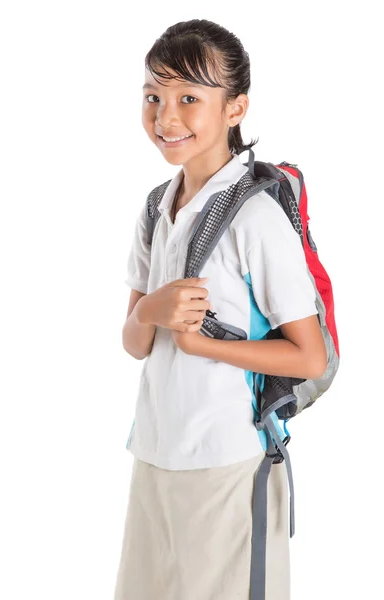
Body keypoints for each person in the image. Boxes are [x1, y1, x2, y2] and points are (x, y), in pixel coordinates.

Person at [114, 18, 327, 600]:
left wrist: (202, 343)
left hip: (228, 461)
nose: (166, 117)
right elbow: (134, 342)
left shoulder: (256, 217)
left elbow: (309, 356)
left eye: (189, 98)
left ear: (236, 109)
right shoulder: (158, 206)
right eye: (153, 96)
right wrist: (151, 312)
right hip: (155, 454)